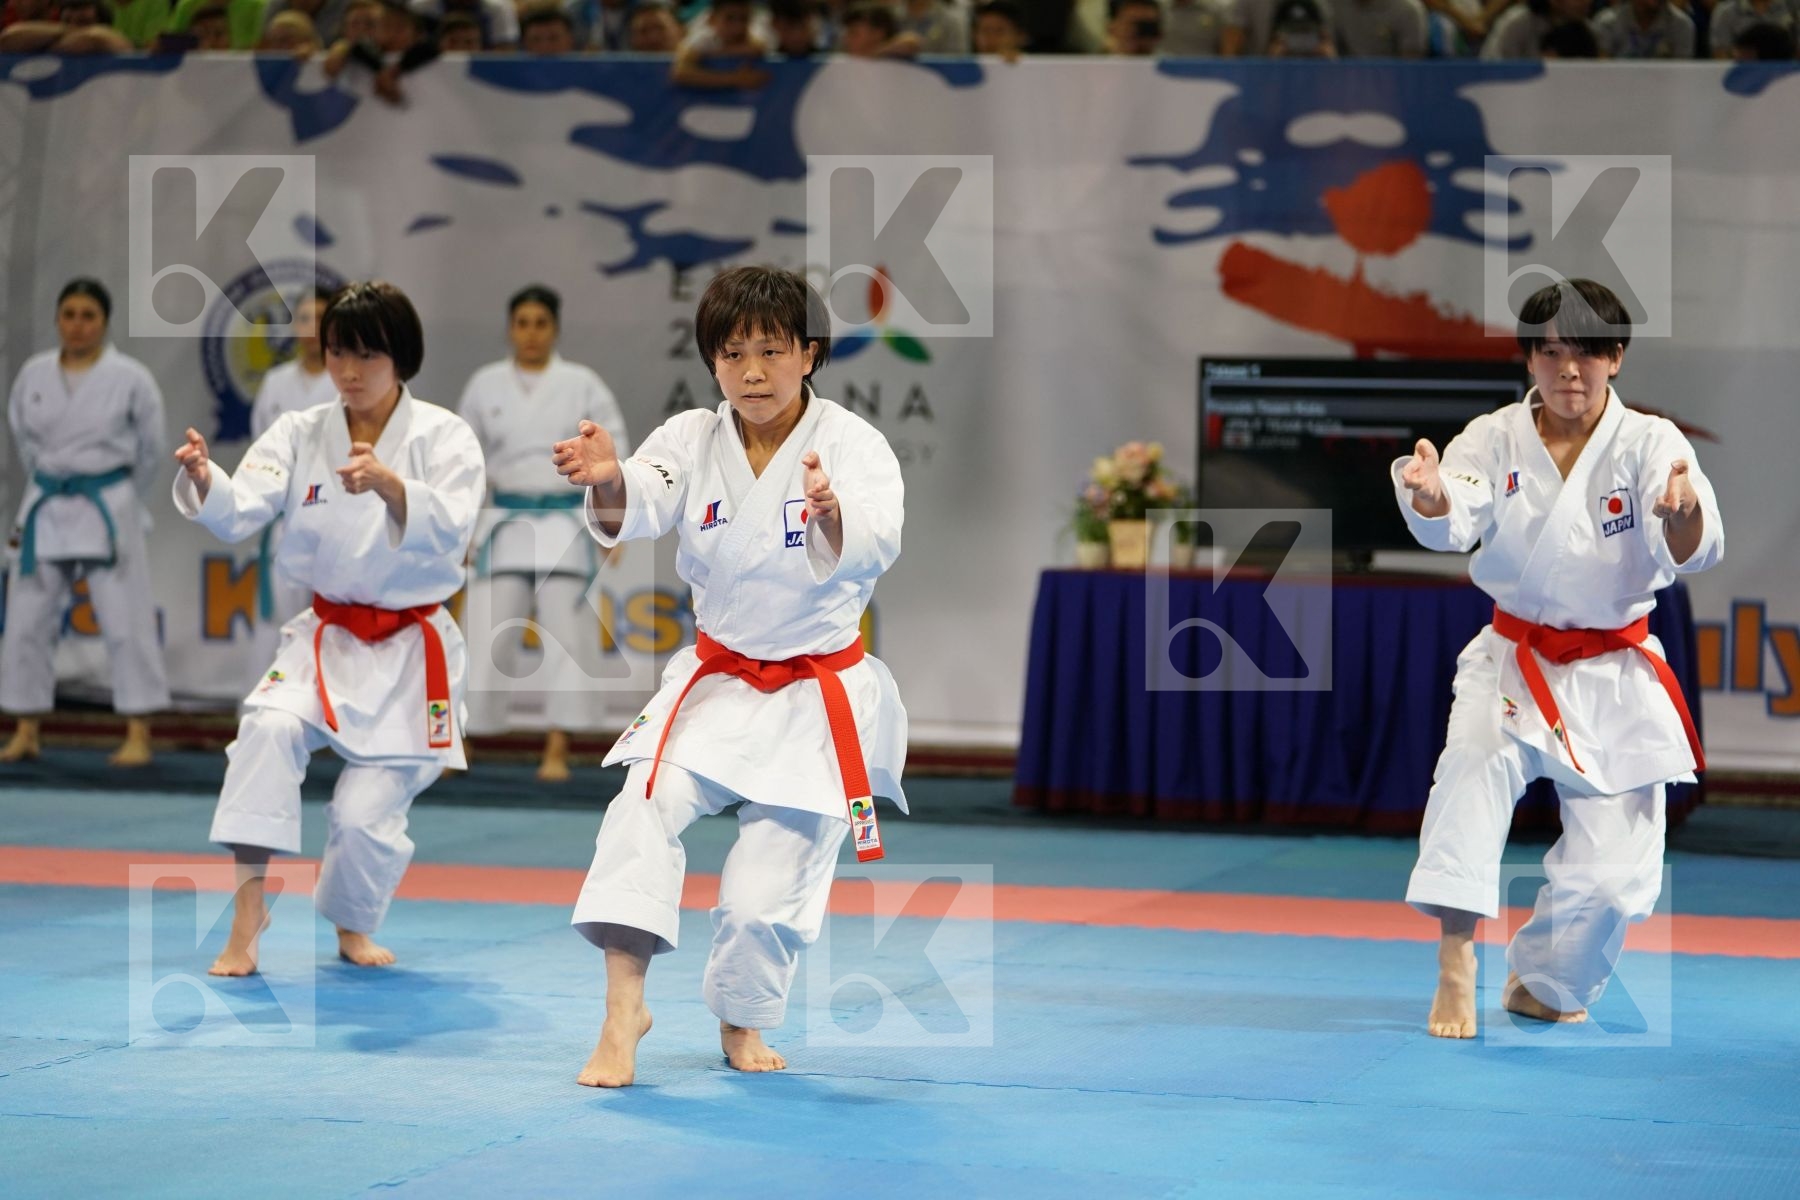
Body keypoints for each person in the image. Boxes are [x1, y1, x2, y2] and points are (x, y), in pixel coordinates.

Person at [552, 265, 908, 1086]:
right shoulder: (691, 438)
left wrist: (831, 514)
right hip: (716, 679)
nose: (751, 371)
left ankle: (741, 1023)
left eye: (771, 351)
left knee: (761, 898)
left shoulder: (854, 445)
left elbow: (878, 538)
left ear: (809, 354)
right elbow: (644, 496)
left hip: (816, 695)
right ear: (711, 360)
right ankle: (621, 1012)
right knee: (638, 808)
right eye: (732, 353)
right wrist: (609, 479)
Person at [1394, 278, 1721, 1038]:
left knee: (1617, 876)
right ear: (1531, 359)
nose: (1568, 370)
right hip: (1516, 653)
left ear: (1617, 357)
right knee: (1469, 772)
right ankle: (1455, 961)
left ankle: (1544, 975)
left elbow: (1688, 540)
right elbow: (1459, 506)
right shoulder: (1495, 436)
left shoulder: (1650, 443)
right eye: (1550, 352)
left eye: (1586, 353)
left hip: (1615, 667)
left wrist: (1683, 510)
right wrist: (1435, 495)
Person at [172, 281, 484, 974]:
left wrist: (392, 486)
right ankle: (248, 911)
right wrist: (203, 479)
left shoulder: (444, 437)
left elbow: (456, 528)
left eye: (365, 355)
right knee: (266, 729)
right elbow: (241, 505)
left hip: (413, 650)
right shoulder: (300, 431)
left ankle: (350, 922)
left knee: (362, 816)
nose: (347, 370)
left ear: (400, 358)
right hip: (328, 635)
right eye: (338, 352)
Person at [459, 285, 630, 782]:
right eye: (522, 323)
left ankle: (558, 747)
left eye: (540, 323)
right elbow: (465, 464)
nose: (530, 333)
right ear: (511, 328)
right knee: (483, 632)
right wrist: (466, 528)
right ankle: (463, 742)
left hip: (563, 521)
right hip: (503, 519)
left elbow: (610, 459)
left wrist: (610, 524)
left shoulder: (582, 384)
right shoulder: (484, 385)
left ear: (554, 329)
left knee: (568, 638)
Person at [2, 279, 169, 766]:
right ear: (57, 319)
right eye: (69, 313)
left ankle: (139, 732)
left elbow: (152, 449)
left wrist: (121, 494)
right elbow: (23, 437)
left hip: (106, 502)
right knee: (25, 623)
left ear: (105, 321)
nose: (77, 324)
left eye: (88, 315)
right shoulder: (33, 374)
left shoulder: (130, 378)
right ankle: (25, 728)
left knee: (126, 622)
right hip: (47, 502)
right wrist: (55, 479)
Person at [241, 284, 339, 695]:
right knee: (277, 623)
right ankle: (263, 716)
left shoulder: (348, 379)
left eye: (320, 319)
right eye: (304, 319)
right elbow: (262, 450)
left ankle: (334, 722)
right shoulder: (276, 383)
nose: (311, 328)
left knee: (334, 624)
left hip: (338, 520)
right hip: (287, 518)